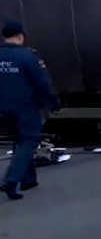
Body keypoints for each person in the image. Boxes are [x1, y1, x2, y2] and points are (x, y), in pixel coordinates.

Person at [0, 20, 59, 200]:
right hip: (26, 106)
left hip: (4, 108)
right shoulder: (28, 56)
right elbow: (42, 83)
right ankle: (11, 180)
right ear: (20, 36)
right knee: (29, 140)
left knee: (19, 140)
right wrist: (53, 102)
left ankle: (28, 179)